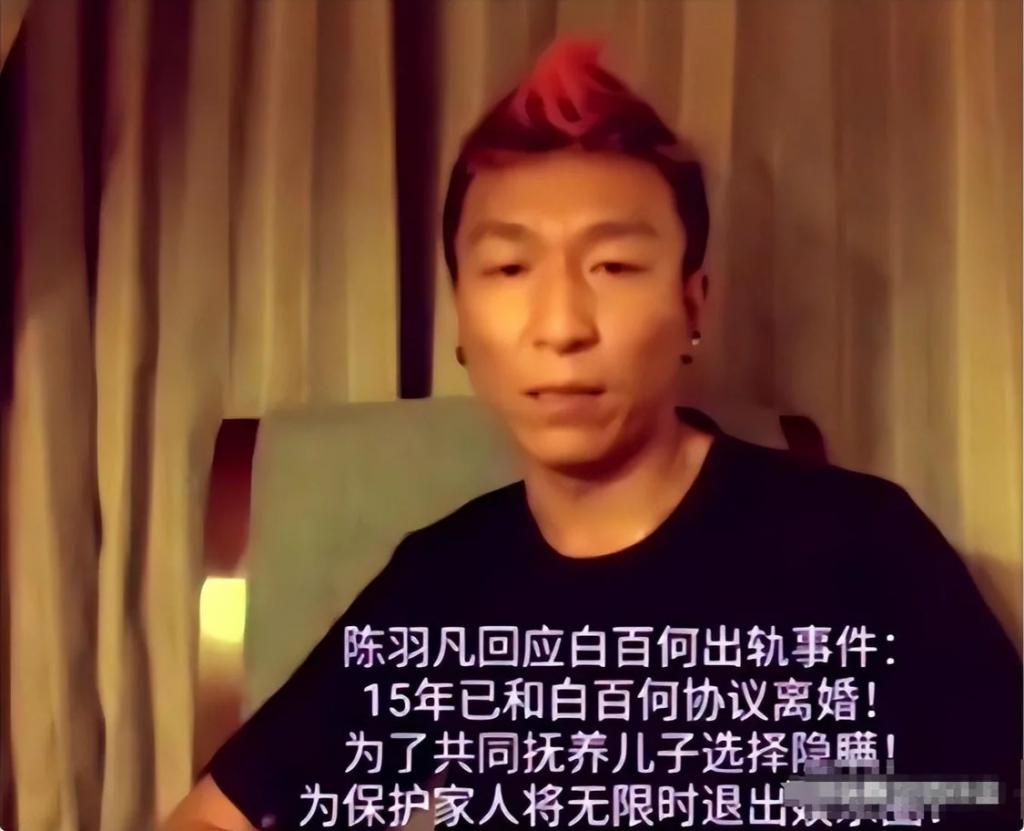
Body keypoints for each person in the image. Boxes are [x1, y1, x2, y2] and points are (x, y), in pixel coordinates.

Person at [163, 38, 1022, 831]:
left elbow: (989, 795)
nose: (562, 325)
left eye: (613, 266)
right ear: (462, 318)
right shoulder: (442, 584)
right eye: (509, 267)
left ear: (692, 304)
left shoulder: (857, 541)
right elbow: (213, 817)